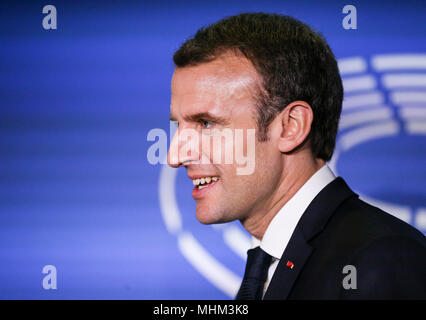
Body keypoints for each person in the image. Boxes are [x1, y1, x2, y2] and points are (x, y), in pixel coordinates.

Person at [166, 13, 426, 299]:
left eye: (206, 123)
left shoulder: (379, 262)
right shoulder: (274, 264)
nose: (175, 155)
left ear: (291, 127)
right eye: (179, 126)